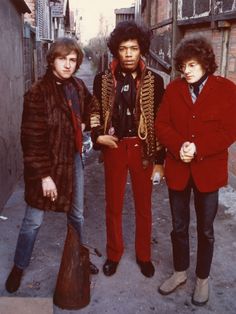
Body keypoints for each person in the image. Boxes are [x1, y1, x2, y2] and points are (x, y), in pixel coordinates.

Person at [5, 37, 98, 294]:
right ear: (51, 60)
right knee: (33, 220)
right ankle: (19, 266)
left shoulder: (78, 86)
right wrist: (45, 176)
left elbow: (93, 106)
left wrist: (86, 123)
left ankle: (77, 256)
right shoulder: (37, 93)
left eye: (73, 60)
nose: (68, 65)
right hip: (44, 168)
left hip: (73, 161)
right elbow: (31, 141)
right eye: (62, 59)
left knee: (77, 215)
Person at [155, 35, 236, 305]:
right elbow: (161, 124)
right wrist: (180, 146)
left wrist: (198, 147)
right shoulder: (173, 89)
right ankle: (180, 272)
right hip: (178, 168)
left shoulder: (226, 90)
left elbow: (229, 131)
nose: (186, 71)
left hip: (208, 171)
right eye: (182, 66)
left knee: (205, 229)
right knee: (178, 226)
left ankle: (202, 279)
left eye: (191, 65)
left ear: (205, 63)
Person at [90, 21, 165, 278]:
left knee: (144, 205)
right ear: (116, 51)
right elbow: (95, 114)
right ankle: (114, 254)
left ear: (141, 49)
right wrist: (98, 136)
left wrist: (159, 160)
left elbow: (160, 121)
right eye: (124, 48)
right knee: (114, 204)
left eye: (134, 48)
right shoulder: (102, 80)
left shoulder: (155, 81)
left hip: (142, 148)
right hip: (115, 147)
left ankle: (144, 256)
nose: (129, 53)